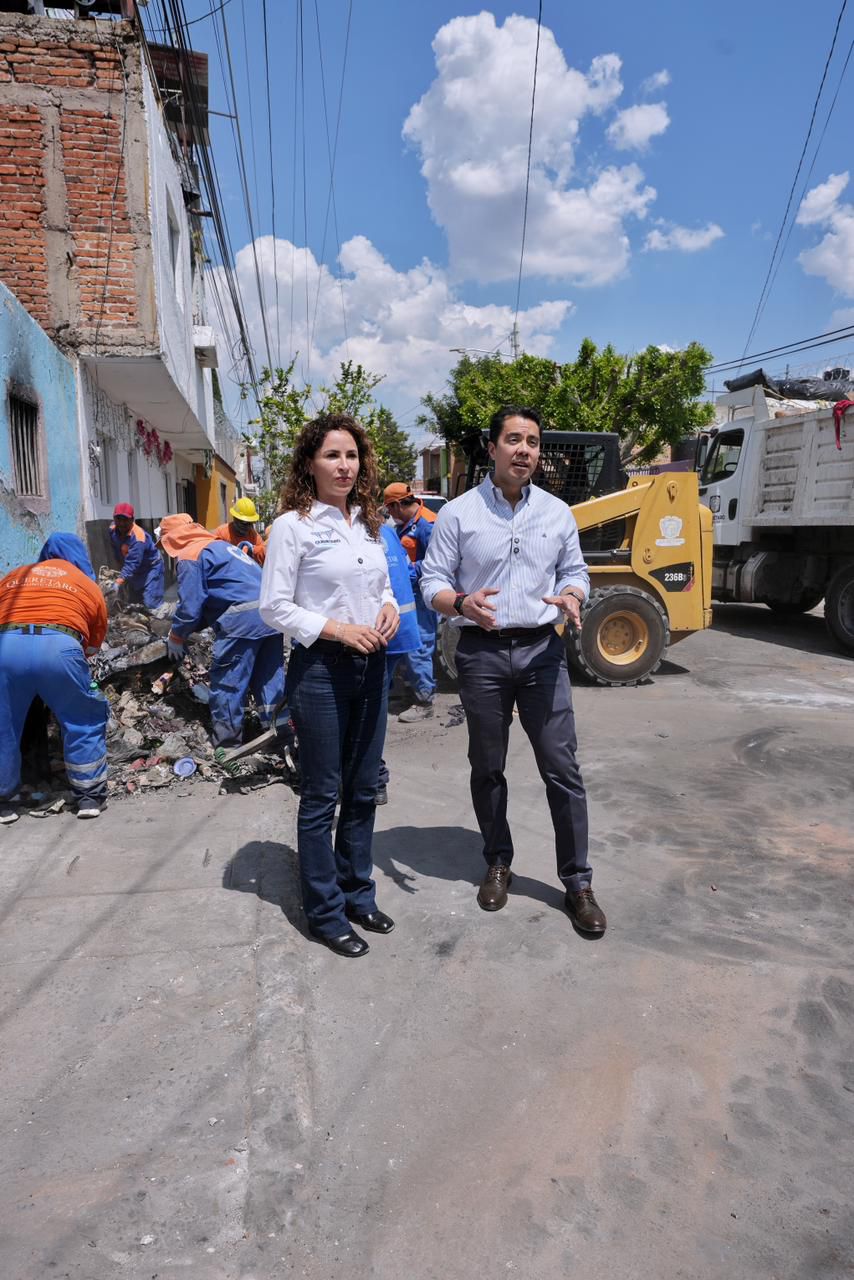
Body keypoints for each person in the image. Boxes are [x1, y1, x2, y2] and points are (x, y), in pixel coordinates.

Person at [420, 406, 606, 935]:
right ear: (493, 447)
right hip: (481, 653)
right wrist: (459, 603)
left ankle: (577, 883)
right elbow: (430, 580)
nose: (525, 450)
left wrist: (572, 593)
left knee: (562, 770)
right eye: (514, 440)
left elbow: (575, 570)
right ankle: (497, 859)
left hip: (542, 653)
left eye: (533, 442)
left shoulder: (556, 512)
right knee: (488, 765)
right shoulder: (457, 514)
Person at [260, 413, 399, 958]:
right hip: (321, 670)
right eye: (332, 456)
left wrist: (387, 608)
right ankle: (323, 912)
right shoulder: (293, 525)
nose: (344, 466)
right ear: (310, 464)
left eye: (351, 455)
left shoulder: (368, 522)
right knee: (323, 794)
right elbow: (274, 606)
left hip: (373, 666)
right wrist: (337, 628)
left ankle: (356, 892)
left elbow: (383, 582)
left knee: (364, 787)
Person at [0, 532, 109, 823]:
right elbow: (93, 646)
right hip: (60, 647)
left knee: (4, 723)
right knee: (83, 718)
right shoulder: (86, 583)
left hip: (6, 647)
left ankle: (4, 802)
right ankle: (88, 796)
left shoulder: (14, 576)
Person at [158, 514, 287, 748]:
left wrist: (176, 636)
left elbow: (190, 607)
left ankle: (227, 744)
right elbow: (220, 596)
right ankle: (281, 735)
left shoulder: (190, 554)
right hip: (271, 616)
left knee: (229, 681)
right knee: (269, 678)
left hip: (242, 622)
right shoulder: (220, 547)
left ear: (171, 539)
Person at [383, 482, 437, 722]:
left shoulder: (427, 524)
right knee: (404, 644)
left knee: (419, 647)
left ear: (396, 505)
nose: (389, 515)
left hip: (421, 595)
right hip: (407, 594)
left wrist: (408, 571)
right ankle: (409, 695)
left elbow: (439, 562)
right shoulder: (403, 526)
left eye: (389, 509)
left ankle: (425, 701)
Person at [376, 524, 421, 804]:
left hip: (375, 633)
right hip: (397, 630)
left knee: (367, 711)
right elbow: (408, 570)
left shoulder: (353, 531)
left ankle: (372, 777)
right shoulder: (388, 531)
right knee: (374, 709)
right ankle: (374, 779)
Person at [107, 502, 165, 608]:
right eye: (118, 519)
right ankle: (144, 623)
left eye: (125, 520)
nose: (121, 523)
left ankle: (174, 613)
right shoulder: (112, 530)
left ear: (132, 519)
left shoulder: (138, 537)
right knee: (134, 605)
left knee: (151, 604)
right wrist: (120, 572)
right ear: (114, 518)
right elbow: (116, 551)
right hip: (135, 570)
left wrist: (119, 581)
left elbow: (133, 562)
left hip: (151, 568)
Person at [213, 496, 266, 565]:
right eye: (244, 523)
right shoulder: (221, 533)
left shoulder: (254, 537)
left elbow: (263, 554)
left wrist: (254, 551)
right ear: (235, 519)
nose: (248, 527)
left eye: (250, 523)